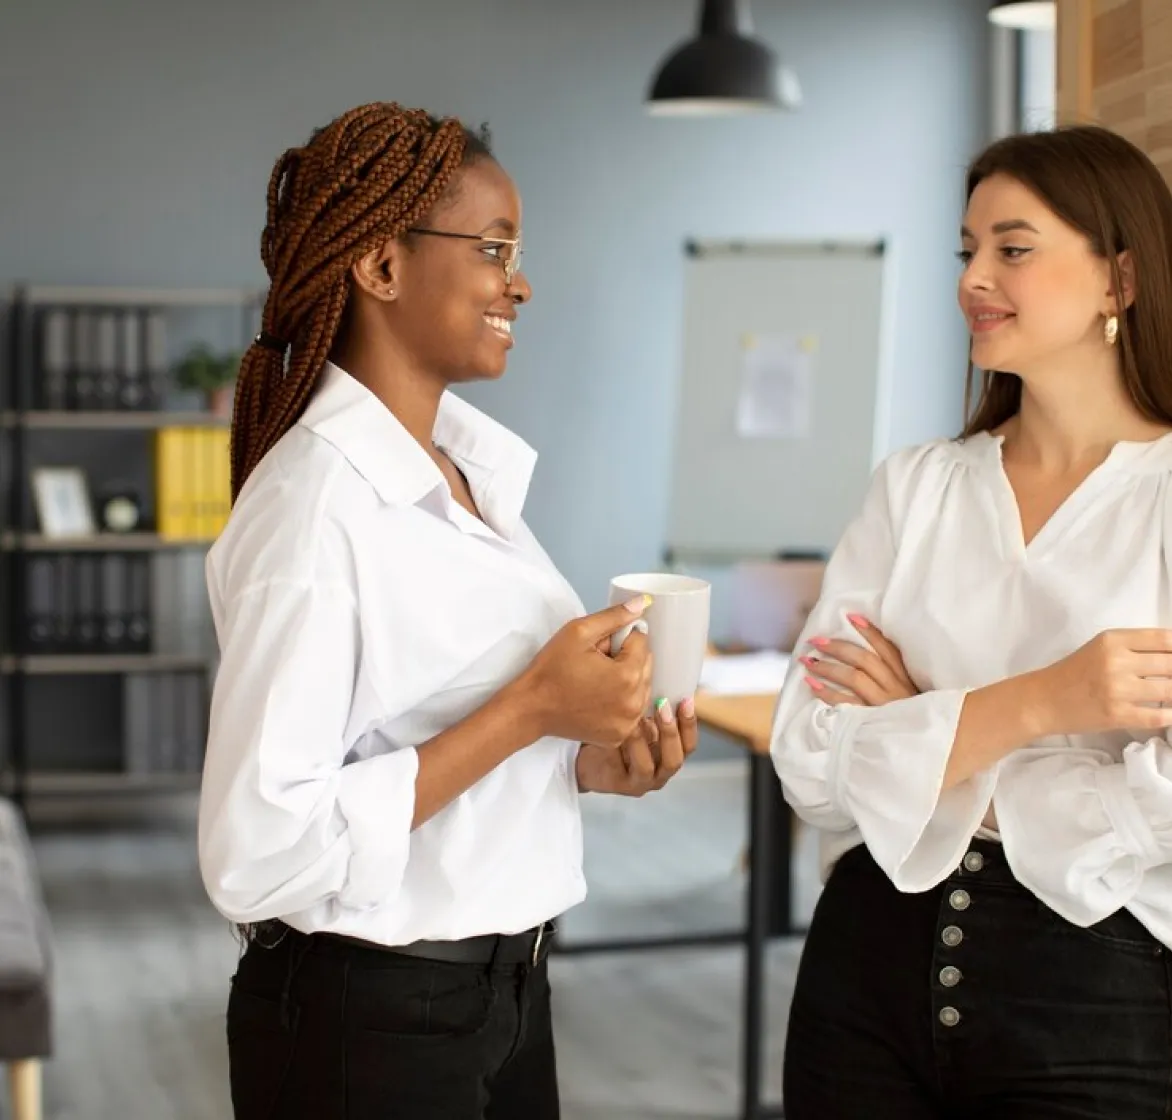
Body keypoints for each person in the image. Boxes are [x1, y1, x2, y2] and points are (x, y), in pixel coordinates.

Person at [197, 102, 698, 1120]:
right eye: (494, 248)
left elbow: (420, 729)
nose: (518, 282)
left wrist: (584, 757)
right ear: (380, 265)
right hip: (367, 1022)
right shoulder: (313, 510)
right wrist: (526, 710)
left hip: (503, 995)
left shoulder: (467, 476)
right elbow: (256, 848)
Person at [771, 123, 1172, 1119]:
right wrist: (1050, 702)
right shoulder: (915, 487)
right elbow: (811, 762)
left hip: (1099, 995)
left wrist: (922, 730)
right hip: (861, 973)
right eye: (966, 249)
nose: (972, 278)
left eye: (1011, 246)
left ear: (1118, 277)